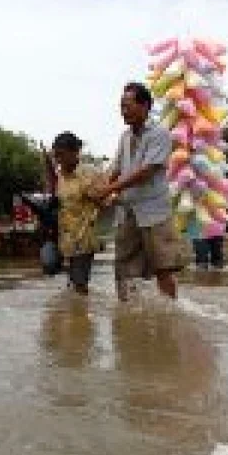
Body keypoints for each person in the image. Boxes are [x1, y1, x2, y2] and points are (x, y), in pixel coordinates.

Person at [94, 82, 185, 301]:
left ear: (145, 106)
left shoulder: (159, 134)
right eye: (121, 107)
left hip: (154, 213)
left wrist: (109, 189)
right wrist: (99, 189)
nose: (123, 111)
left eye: (127, 106)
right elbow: (115, 168)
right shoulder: (125, 137)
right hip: (128, 212)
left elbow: (147, 172)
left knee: (163, 267)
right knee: (124, 268)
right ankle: (129, 315)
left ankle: (170, 313)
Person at [49, 131, 109, 294]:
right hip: (64, 237)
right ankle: (76, 314)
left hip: (83, 237)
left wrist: (95, 196)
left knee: (80, 284)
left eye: (61, 155)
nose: (59, 161)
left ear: (75, 152)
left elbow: (106, 202)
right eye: (56, 156)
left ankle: (82, 317)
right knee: (71, 282)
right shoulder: (59, 176)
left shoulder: (90, 174)